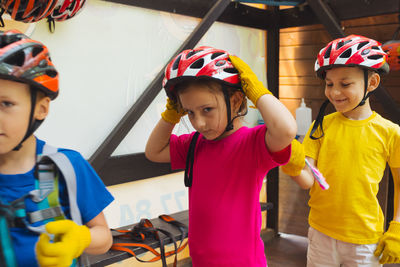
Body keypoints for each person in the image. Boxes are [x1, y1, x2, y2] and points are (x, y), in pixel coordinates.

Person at [145, 46, 297, 266]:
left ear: (235, 100)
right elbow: (154, 151)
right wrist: (170, 115)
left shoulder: (254, 143)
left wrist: (256, 91)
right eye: (189, 112)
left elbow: (286, 130)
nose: (198, 123)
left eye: (207, 109)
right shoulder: (195, 143)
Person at [281, 35, 400, 266]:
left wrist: (397, 227)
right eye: (329, 84)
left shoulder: (390, 132)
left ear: (372, 83)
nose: (335, 92)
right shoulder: (321, 126)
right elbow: (308, 180)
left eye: (345, 84)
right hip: (320, 232)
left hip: (365, 239)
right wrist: (291, 162)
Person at [0, 30, 114, 267]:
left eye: (5, 103)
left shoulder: (66, 165)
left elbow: (103, 237)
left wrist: (80, 238)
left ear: (41, 109)